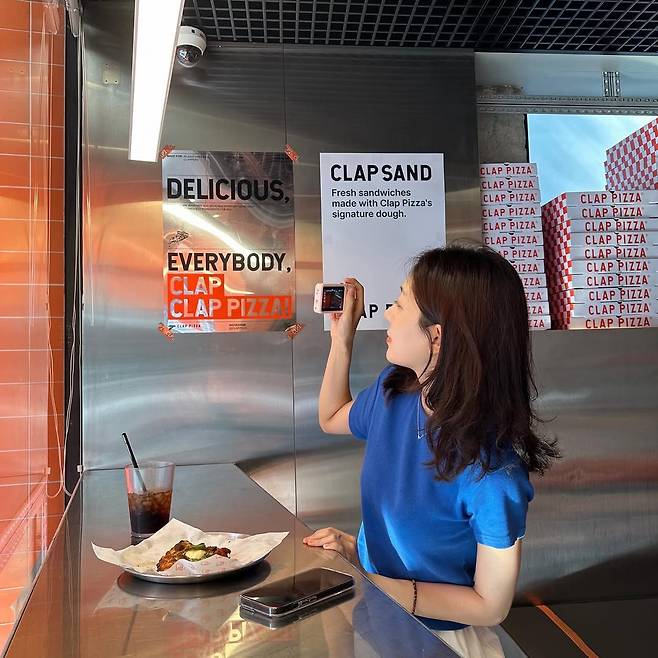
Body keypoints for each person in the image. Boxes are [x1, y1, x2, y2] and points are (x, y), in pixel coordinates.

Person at [303, 244, 560, 648]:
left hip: (442, 642)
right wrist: (341, 340)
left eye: (400, 304)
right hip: (376, 618)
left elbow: (490, 606)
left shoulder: (491, 473)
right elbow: (331, 416)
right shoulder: (393, 393)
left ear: (436, 336)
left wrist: (371, 581)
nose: (388, 313)